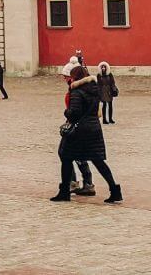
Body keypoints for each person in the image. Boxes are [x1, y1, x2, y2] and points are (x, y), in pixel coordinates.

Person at [51, 64, 123, 203]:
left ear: (75, 77)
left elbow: (74, 113)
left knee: (65, 157)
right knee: (98, 161)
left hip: (79, 131)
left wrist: (67, 112)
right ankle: (115, 190)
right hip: (94, 128)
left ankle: (64, 191)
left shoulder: (76, 92)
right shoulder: (94, 89)